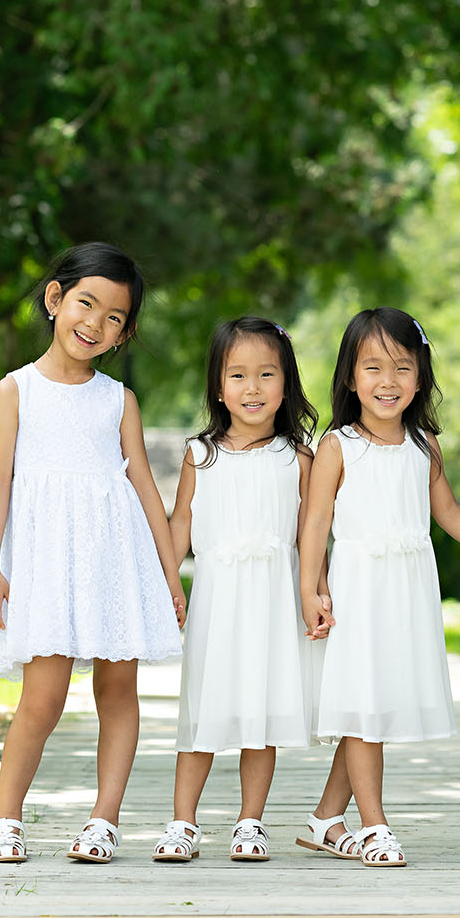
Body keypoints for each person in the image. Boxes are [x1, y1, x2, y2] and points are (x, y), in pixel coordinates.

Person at [0, 242, 186, 865]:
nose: (94, 323)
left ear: (124, 334)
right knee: (42, 697)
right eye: (85, 304)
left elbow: (144, 485)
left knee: (119, 692)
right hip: (44, 564)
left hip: (115, 561)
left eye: (114, 317)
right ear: (55, 299)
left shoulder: (117, 399)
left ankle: (104, 819)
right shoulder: (15, 391)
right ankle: (7, 818)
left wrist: (167, 572)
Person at [300, 307, 460, 868]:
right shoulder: (338, 446)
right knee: (363, 707)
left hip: (406, 592)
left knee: (370, 706)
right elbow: (314, 526)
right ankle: (374, 825)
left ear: (420, 376)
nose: (387, 380)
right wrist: (310, 590)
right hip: (358, 592)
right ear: (351, 377)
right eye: (372, 367)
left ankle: (326, 819)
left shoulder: (424, 445)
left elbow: (445, 509)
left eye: (402, 366)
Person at [154, 317, 324, 863]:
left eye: (267, 374)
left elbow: (311, 534)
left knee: (262, 711)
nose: (253, 388)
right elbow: (181, 523)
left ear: (286, 383)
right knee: (202, 710)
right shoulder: (200, 454)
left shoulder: (298, 457)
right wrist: (165, 585)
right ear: (219, 387)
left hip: (274, 602)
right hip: (217, 600)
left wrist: (316, 592)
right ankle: (183, 822)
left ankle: (250, 822)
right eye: (238, 376)